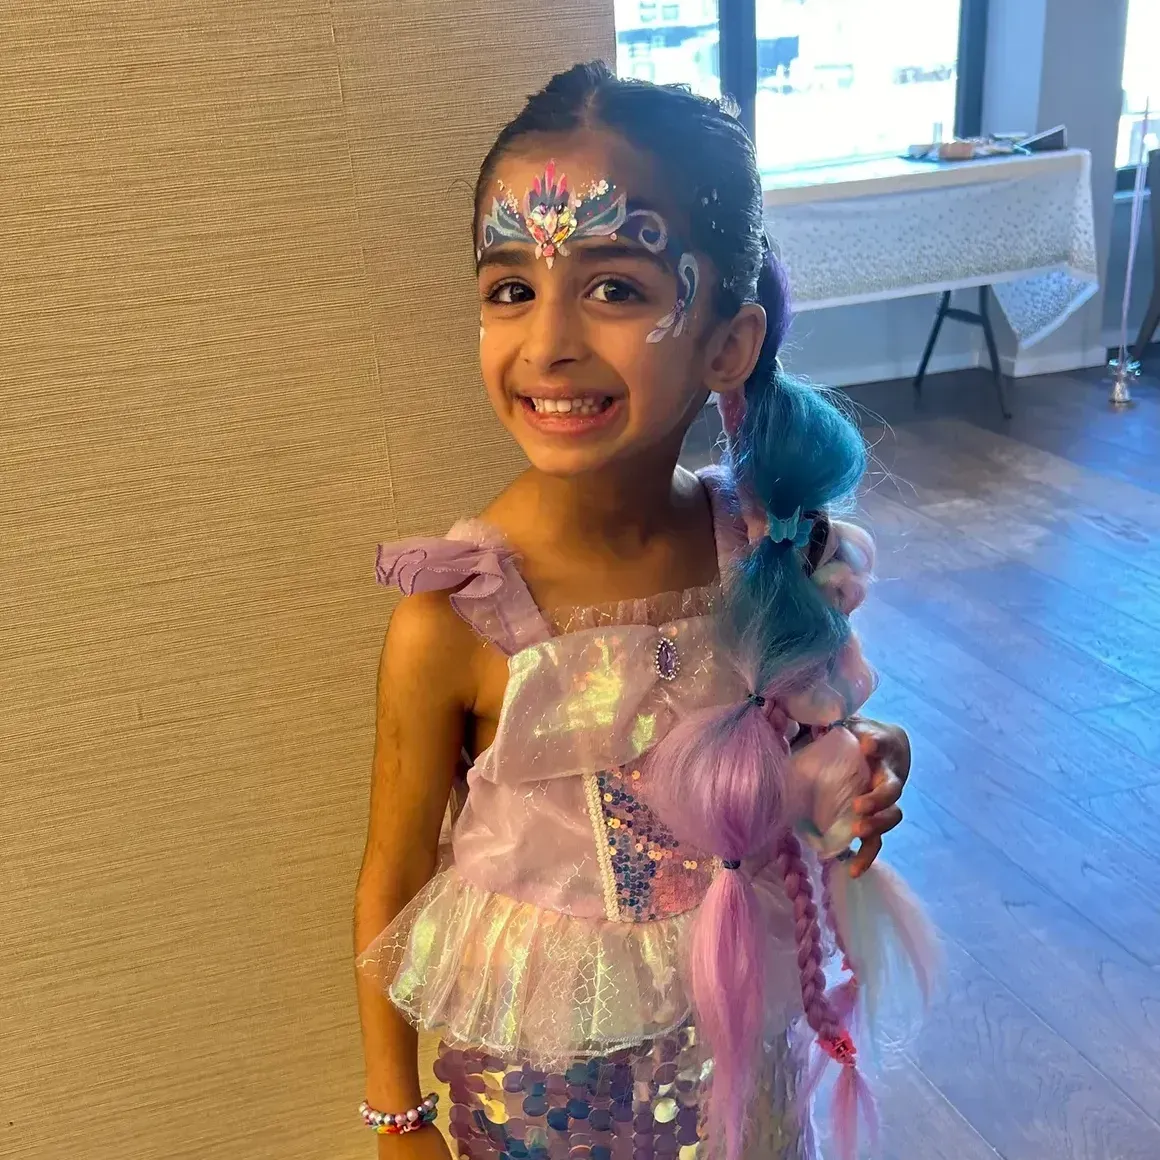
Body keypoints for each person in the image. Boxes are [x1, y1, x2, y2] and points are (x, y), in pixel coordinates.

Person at [354, 61, 931, 1160]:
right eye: (509, 287)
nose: (548, 343)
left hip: (741, 1045)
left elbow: (803, 749)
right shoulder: (456, 621)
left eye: (615, 287)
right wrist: (397, 1118)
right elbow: (390, 875)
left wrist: (856, 763)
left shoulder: (766, 554)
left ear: (726, 341)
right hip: (542, 1101)